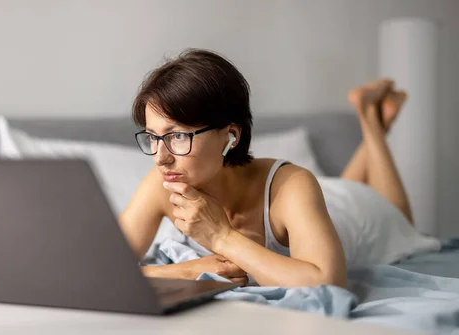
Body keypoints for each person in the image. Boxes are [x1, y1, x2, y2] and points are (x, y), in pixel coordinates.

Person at [118, 49, 412, 289]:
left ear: (230, 135)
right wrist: (180, 271)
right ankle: (373, 116)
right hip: (317, 205)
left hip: (349, 212)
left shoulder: (293, 184)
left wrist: (222, 237)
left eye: (177, 136)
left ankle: (371, 119)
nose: (160, 157)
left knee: (400, 216)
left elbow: (328, 283)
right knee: (338, 186)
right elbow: (101, 271)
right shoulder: (161, 183)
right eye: (153, 137)